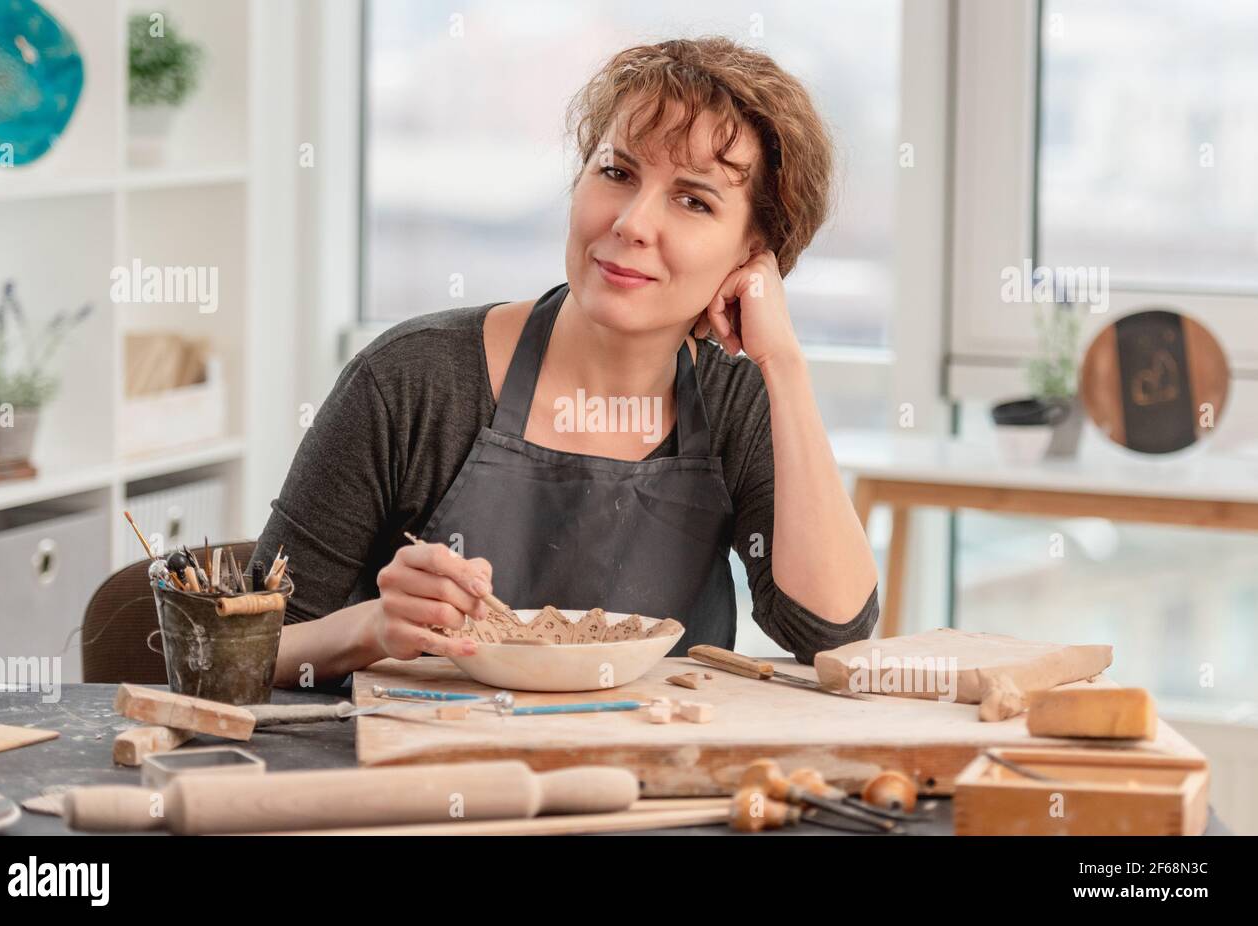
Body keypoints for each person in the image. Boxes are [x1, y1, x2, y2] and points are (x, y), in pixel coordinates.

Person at [262, 36, 880, 689]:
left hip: (658, 782)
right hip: (432, 777)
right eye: (617, 173)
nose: (634, 223)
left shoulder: (736, 401)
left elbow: (829, 636)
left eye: (693, 200)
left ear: (754, 255)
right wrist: (373, 626)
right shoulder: (412, 381)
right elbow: (234, 655)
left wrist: (783, 363)